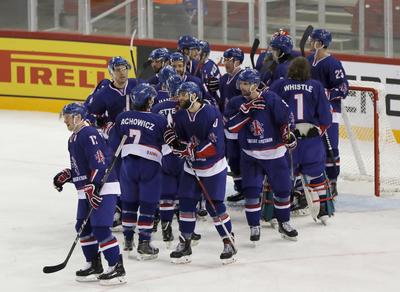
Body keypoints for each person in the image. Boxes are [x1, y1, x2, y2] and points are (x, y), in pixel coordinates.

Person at [53, 102, 126, 285]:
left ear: (78, 116)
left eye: (68, 117)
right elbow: (81, 168)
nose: (66, 121)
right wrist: (68, 175)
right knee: (83, 227)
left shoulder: (90, 134)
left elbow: (99, 163)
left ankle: (117, 267)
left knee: (101, 227)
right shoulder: (73, 139)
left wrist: (94, 185)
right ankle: (94, 264)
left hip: (103, 187)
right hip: (88, 189)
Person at [165, 81, 236, 264]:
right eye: (179, 94)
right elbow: (179, 138)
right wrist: (174, 141)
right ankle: (185, 241)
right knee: (186, 204)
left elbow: (216, 145)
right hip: (191, 167)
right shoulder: (180, 115)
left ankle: (228, 240)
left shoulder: (211, 113)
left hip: (213, 168)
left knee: (215, 207)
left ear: (194, 96)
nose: (179, 98)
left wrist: (191, 151)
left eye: (183, 95)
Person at [225, 68, 298, 241]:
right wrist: (246, 110)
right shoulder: (236, 102)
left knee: (283, 190)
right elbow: (230, 127)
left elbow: (286, 120)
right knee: (251, 192)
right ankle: (254, 226)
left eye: (246, 83)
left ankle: (284, 223)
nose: (242, 86)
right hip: (250, 155)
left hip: (275, 154)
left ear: (255, 85)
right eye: (241, 83)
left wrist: (288, 135)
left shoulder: (271, 98)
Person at [269, 57, 335, 224]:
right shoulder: (316, 86)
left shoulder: (279, 85)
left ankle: (277, 214)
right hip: (311, 140)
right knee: (317, 175)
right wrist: (319, 130)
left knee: (284, 176)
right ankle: (324, 212)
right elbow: (326, 117)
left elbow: (270, 111)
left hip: (288, 139)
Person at [108, 83, 168, 261]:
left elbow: (113, 145)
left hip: (128, 165)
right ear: (150, 101)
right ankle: (144, 243)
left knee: (129, 202)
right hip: (150, 165)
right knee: (148, 204)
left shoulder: (122, 117)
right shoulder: (159, 120)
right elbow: (167, 145)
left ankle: (127, 240)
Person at [306, 29, 349, 197]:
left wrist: (324, 93)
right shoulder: (309, 60)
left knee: (331, 147)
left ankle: (332, 181)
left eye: (314, 40)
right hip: (311, 112)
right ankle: (315, 181)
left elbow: (343, 88)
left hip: (330, 111)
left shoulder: (333, 64)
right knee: (312, 147)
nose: (311, 42)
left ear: (321, 43)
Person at [219, 48, 245, 202]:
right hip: (227, 127)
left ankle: (252, 190)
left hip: (241, 127)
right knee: (232, 159)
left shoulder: (243, 78)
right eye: (225, 59)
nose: (225, 62)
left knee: (243, 159)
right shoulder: (224, 79)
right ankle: (241, 188)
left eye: (228, 59)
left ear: (236, 61)